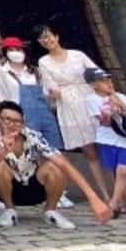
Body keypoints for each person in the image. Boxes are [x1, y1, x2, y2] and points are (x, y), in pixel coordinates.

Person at [0, 100, 112, 231]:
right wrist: (4, 149)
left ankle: (51, 211)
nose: (12, 125)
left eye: (17, 121)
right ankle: (9, 209)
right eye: (7, 120)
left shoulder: (32, 136)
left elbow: (64, 164)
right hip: (4, 188)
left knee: (56, 166)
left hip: (33, 186)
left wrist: (93, 198)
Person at [36, 24, 109, 198]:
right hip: (68, 103)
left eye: (49, 36)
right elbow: (49, 85)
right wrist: (54, 92)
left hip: (89, 97)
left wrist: (107, 94)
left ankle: (121, 192)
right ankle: (104, 193)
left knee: (106, 145)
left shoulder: (78, 55)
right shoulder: (44, 62)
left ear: (57, 36)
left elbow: (98, 74)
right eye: (43, 38)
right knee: (89, 151)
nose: (47, 40)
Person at [84, 68, 126, 218]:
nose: (107, 83)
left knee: (123, 170)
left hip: (123, 138)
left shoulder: (120, 96)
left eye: (108, 80)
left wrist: (115, 98)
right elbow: (103, 122)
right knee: (113, 172)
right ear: (93, 84)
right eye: (102, 81)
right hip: (106, 139)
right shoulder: (91, 99)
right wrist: (107, 114)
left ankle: (113, 203)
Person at [0, 36, 63, 150]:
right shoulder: (1, 72)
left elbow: (45, 92)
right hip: (21, 116)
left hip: (44, 113)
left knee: (55, 148)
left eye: (18, 49)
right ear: (6, 53)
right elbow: (2, 98)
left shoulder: (34, 70)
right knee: (32, 149)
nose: (15, 53)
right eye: (11, 50)